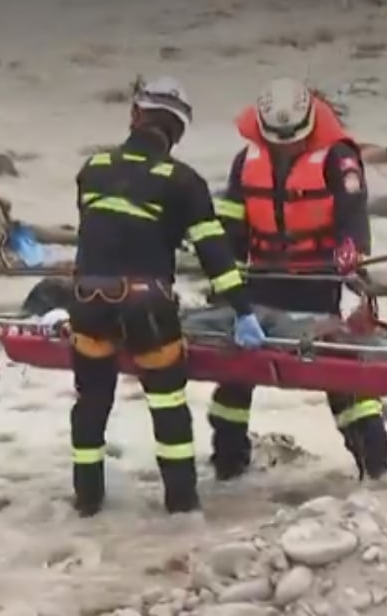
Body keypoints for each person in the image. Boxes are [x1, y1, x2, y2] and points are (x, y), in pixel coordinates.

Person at [69, 76, 266, 517]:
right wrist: (242, 310)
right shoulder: (184, 182)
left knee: (91, 403)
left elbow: (101, 234)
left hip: (87, 301)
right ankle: (181, 510)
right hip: (148, 306)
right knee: (167, 405)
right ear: (178, 131)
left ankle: (86, 506)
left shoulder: (93, 168)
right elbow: (214, 253)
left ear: (135, 115)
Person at [209, 77, 387, 481]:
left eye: (293, 139)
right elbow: (233, 225)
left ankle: (377, 474)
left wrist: (350, 264)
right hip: (263, 284)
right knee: (233, 383)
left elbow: (353, 221)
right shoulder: (246, 161)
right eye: (276, 139)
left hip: (321, 286)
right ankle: (228, 467)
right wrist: (225, 281)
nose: (284, 146)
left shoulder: (339, 159)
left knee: (348, 387)